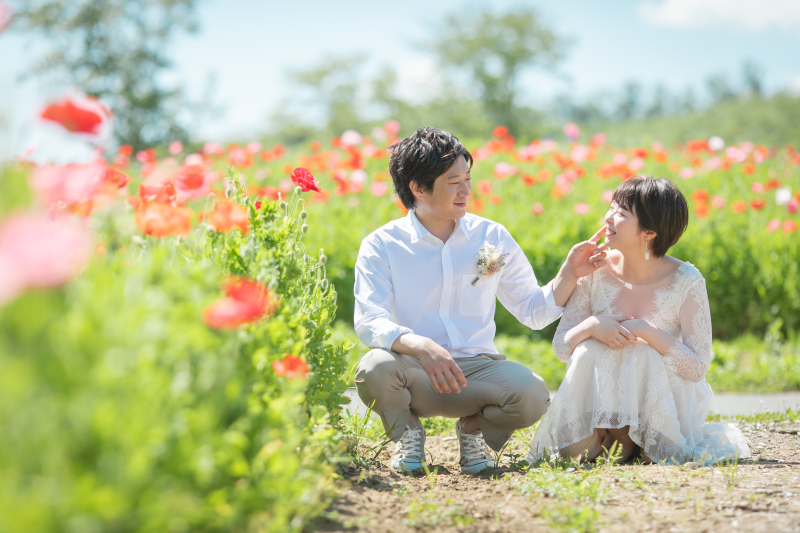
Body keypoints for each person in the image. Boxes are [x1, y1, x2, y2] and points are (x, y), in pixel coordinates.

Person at [353, 127, 608, 474]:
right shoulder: (382, 244)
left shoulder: (491, 237)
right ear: (417, 188)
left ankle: (473, 432)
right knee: (373, 368)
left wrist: (569, 274)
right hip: (414, 371)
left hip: (476, 373)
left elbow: (533, 311)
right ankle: (408, 434)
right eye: (453, 181)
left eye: (468, 179)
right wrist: (422, 346)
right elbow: (370, 319)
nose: (466, 190)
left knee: (532, 394)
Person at [528, 175, 751, 465]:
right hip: (603, 404)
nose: (608, 218)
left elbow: (697, 368)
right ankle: (614, 437)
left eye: (621, 213)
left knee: (644, 352)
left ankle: (634, 440)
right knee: (587, 348)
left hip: (662, 403)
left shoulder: (687, 281)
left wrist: (645, 330)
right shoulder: (594, 270)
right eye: (611, 207)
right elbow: (562, 348)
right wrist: (592, 325)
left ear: (650, 233)